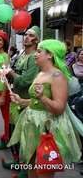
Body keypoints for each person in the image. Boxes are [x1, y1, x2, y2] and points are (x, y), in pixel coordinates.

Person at [8, 40, 81, 177]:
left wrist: (43, 97)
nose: (36, 54)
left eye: (39, 51)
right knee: (31, 169)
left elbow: (59, 107)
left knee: (43, 171)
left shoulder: (57, 76)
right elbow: (36, 102)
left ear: (50, 55)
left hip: (47, 129)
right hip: (32, 126)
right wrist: (21, 100)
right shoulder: (40, 74)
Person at [2, 26, 41, 172]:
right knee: (13, 131)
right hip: (15, 99)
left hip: (25, 101)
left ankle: (25, 167)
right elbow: (12, 73)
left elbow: (26, 80)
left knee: (24, 134)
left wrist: (10, 72)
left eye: (30, 35)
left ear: (36, 40)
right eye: (25, 35)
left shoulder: (34, 58)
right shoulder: (21, 55)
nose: (26, 37)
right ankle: (17, 161)